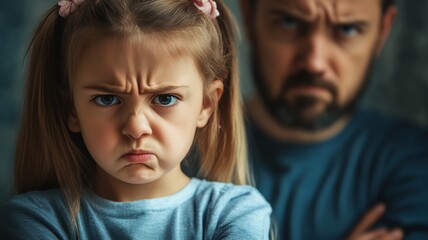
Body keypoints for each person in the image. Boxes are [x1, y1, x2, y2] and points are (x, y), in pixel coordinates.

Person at [0, 0, 272, 239]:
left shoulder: (236, 213)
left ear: (206, 104)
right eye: (107, 99)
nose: (136, 128)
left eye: (165, 99)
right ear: (71, 109)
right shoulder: (36, 219)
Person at [239, 0, 428, 239]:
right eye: (289, 22)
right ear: (248, 17)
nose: (314, 62)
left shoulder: (416, 164)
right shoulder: (182, 153)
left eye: (347, 29)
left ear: (383, 30)